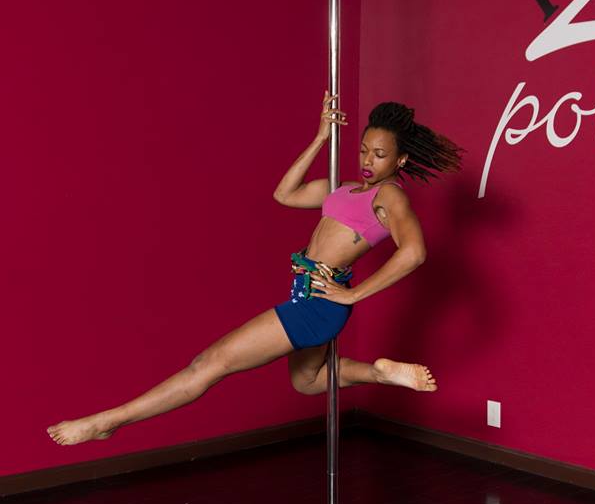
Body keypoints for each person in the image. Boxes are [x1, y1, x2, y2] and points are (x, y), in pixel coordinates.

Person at [47, 91, 464, 445]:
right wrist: (321, 137)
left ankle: (107, 421)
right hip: (308, 295)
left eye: (380, 154)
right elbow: (284, 194)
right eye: (363, 149)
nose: (367, 160)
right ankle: (380, 371)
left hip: (318, 303)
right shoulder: (344, 188)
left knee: (210, 363)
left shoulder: (390, 197)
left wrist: (353, 294)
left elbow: (414, 253)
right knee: (307, 383)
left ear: (401, 160)